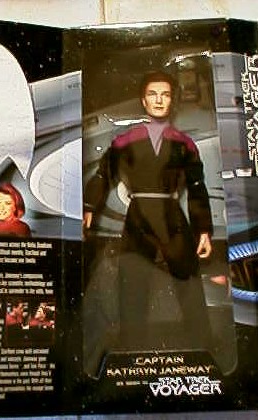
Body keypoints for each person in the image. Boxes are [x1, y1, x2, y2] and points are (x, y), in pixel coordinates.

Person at [83, 70, 213, 351]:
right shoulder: (126, 140)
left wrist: (203, 230)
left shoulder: (184, 143)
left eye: (165, 95)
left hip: (172, 216)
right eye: (153, 94)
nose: (159, 100)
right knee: (132, 283)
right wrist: (89, 207)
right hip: (139, 217)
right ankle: (131, 345)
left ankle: (201, 344)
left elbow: (197, 186)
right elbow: (104, 174)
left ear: (172, 100)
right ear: (143, 100)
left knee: (189, 283)